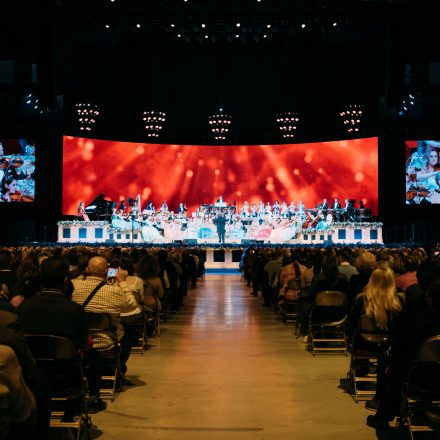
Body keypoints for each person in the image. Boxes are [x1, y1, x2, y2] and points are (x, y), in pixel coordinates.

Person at [71, 256, 139, 380]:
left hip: (78, 341)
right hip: (105, 342)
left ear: (86, 269)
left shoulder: (73, 286)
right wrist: (122, 282)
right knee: (128, 339)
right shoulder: (114, 291)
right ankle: (119, 370)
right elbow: (132, 305)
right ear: (106, 271)